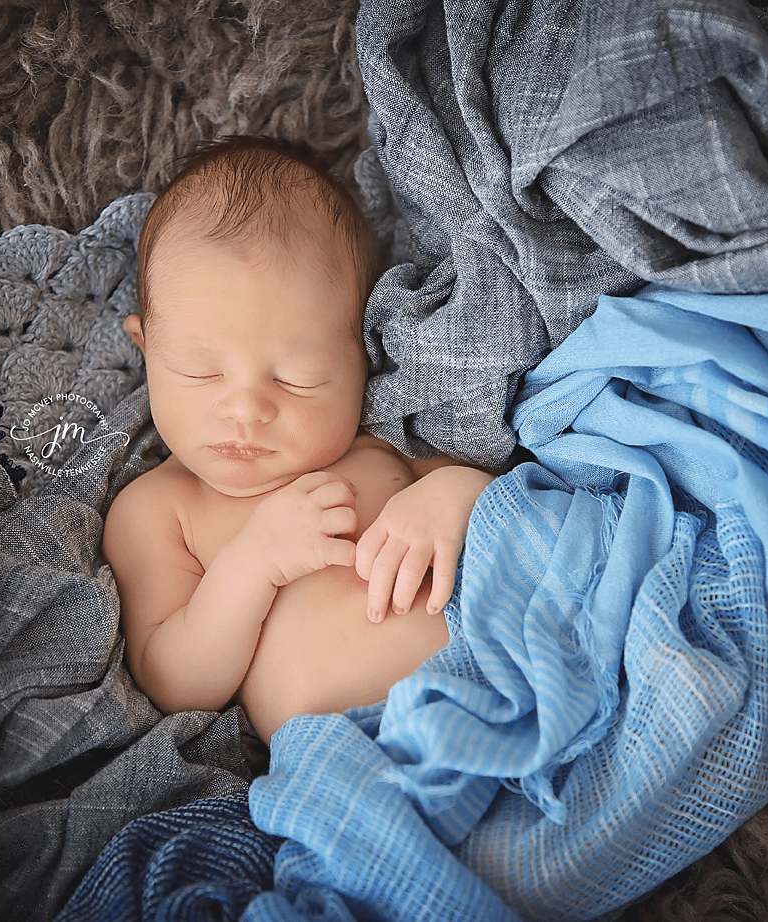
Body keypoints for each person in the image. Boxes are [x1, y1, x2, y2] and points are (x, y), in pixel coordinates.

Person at [103, 137, 495, 742]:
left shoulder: (384, 446)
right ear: (145, 348)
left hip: (503, 665)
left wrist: (452, 495)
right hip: (355, 755)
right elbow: (171, 681)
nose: (246, 409)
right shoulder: (157, 512)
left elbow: (502, 481)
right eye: (200, 372)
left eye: (299, 378)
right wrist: (250, 567)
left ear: (362, 362)